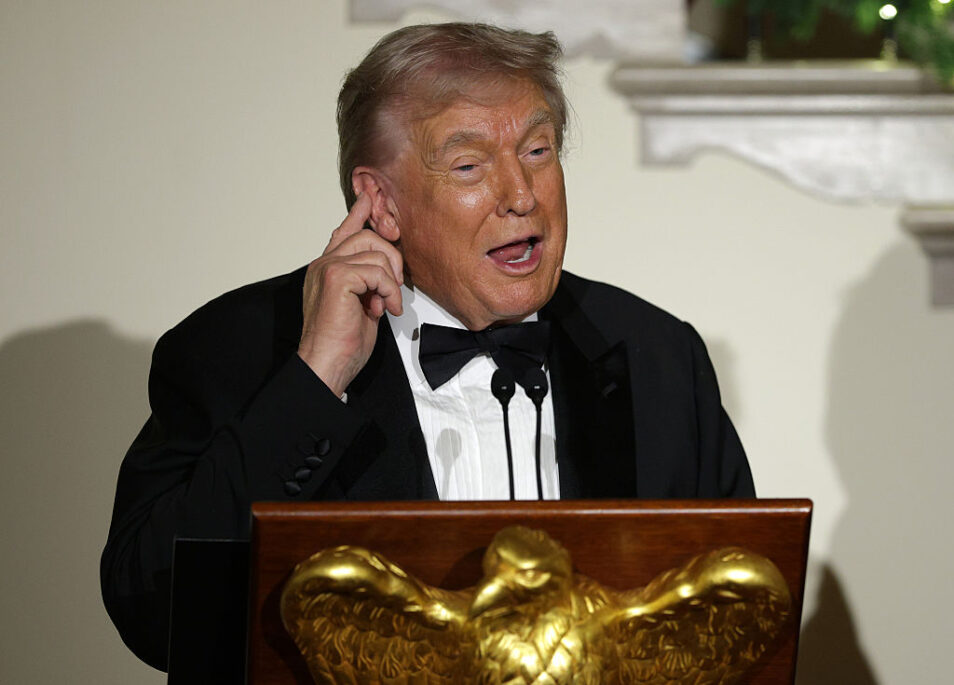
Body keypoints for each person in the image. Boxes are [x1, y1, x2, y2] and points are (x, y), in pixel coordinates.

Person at [101, 22, 754, 671]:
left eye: (537, 151)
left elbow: (737, 624)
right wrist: (315, 378)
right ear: (381, 204)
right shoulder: (239, 348)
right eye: (470, 165)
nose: (521, 196)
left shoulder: (657, 356)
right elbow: (154, 612)